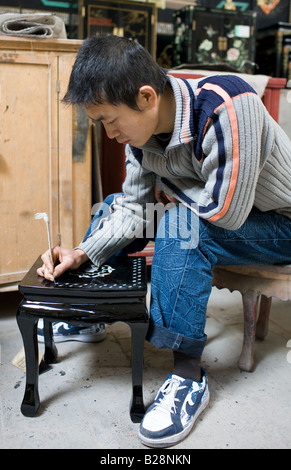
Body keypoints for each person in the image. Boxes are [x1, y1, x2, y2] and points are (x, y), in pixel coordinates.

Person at [37, 35, 291, 448]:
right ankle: (94, 313)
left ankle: (189, 376)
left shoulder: (227, 105)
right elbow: (134, 209)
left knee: (178, 224)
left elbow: (227, 211)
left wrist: (173, 195)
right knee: (113, 207)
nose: (108, 131)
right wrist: (82, 252)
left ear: (146, 96)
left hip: (279, 223)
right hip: (220, 210)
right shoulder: (140, 140)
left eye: (109, 120)